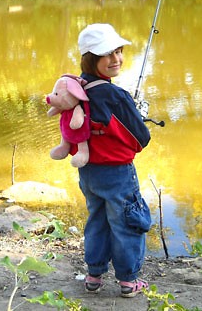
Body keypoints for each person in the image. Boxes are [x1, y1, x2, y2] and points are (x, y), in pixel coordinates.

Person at [75, 23, 151, 298]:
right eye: (108, 54)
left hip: (88, 173)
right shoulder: (116, 95)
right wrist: (135, 111)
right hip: (118, 173)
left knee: (97, 220)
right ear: (91, 58)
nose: (116, 59)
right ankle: (129, 281)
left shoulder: (75, 89)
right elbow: (140, 138)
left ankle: (93, 276)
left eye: (118, 51)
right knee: (127, 224)